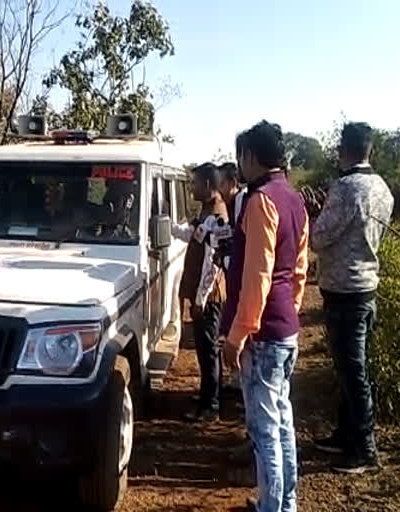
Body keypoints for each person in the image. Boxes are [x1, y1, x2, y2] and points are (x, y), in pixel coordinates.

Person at [219, 121, 309, 512]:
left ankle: (273, 507)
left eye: (241, 157)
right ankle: (285, 503)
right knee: (282, 422)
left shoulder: (261, 201)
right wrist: (292, 308)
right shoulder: (294, 198)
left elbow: (258, 272)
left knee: (263, 430)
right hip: (285, 327)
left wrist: (239, 333)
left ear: (251, 157)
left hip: (263, 333)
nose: (239, 164)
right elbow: (300, 268)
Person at [310, 122, 394, 474]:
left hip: (345, 291)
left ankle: (365, 449)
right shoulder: (382, 188)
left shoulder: (346, 188)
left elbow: (319, 238)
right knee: (351, 367)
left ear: (344, 150)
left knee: (353, 370)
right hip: (366, 287)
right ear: (369, 149)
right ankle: (347, 434)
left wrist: (316, 213)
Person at [171, 163, 229, 422]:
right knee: (205, 351)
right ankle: (208, 396)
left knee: (209, 351)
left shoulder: (217, 216)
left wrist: (200, 298)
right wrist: (167, 226)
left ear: (207, 185)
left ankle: (211, 407)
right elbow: (193, 235)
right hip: (203, 294)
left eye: (194, 183)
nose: (191, 187)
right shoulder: (207, 212)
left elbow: (213, 262)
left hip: (209, 296)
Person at [217, 161, 248, 399]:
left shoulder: (243, 202)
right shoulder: (233, 203)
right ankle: (238, 378)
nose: (218, 187)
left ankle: (242, 380)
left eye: (221, 182)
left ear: (232, 183)